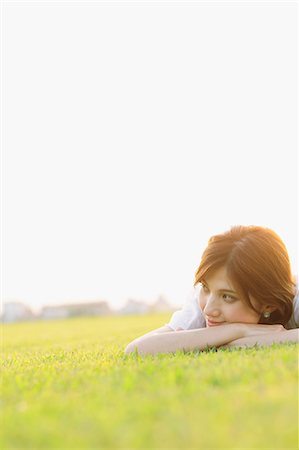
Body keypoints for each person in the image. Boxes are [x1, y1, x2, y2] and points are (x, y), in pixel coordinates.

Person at [125, 225, 299, 355]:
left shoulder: (295, 299)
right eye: (205, 287)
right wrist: (238, 331)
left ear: (268, 304)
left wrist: (214, 342)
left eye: (227, 297)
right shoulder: (203, 301)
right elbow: (136, 349)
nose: (208, 309)